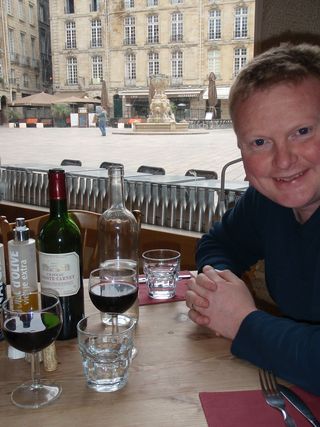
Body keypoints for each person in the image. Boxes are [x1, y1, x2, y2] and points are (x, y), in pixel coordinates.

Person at [185, 43, 320, 396]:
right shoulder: (267, 200)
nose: (284, 161)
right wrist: (217, 288)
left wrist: (241, 321)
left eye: (302, 132)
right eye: (260, 141)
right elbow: (218, 243)